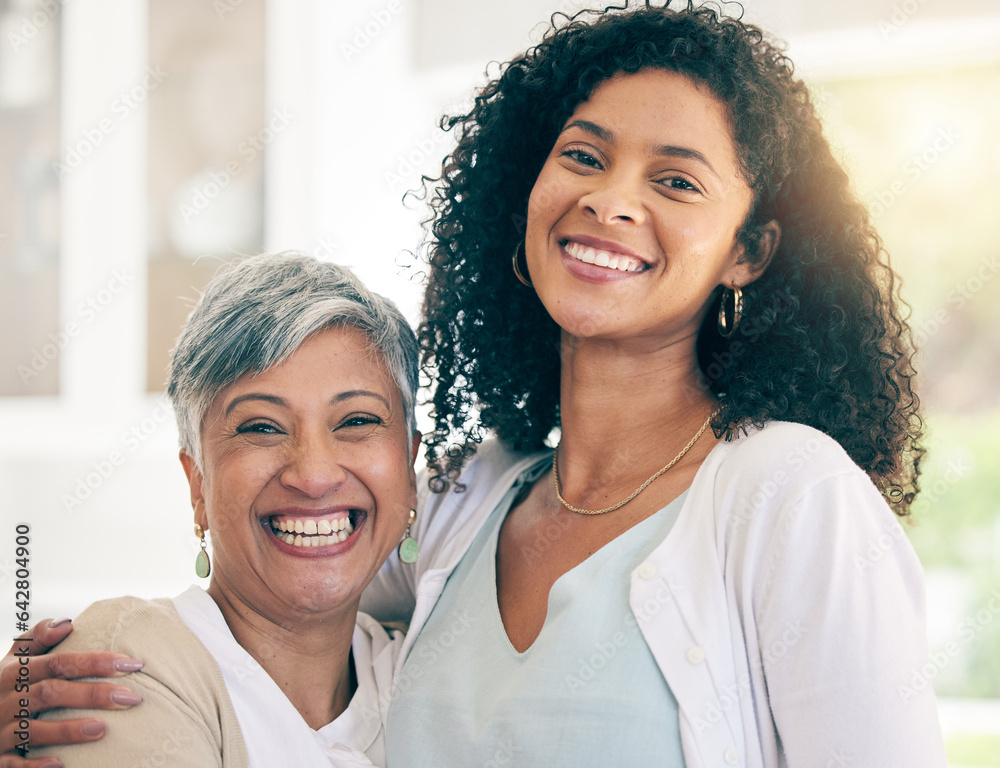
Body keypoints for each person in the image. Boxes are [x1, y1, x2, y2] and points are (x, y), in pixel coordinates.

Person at [2, 2, 947, 766]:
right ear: (520, 190)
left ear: (749, 251)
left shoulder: (792, 499)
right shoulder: (467, 499)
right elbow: (277, 591)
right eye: (583, 155)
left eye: (678, 182)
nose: (610, 199)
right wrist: (71, 677)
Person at [1, 252, 421, 767]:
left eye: (356, 420)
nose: (313, 475)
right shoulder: (126, 659)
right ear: (197, 483)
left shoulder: (432, 672)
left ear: (409, 466)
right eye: (261, 427)